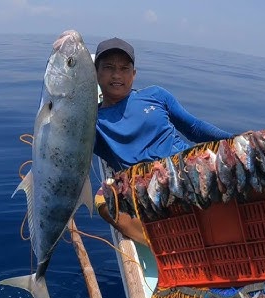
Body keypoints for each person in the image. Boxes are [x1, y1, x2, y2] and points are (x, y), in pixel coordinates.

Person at [92, 37, 233, 246]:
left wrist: (233, 139)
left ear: (134, 74)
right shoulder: (90, 121)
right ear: (95, 73)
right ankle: (162, 244)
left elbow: (193, 127)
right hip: (142, 183)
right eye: (109, 67)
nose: (117, 75)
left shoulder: (156, 95)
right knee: (102, 201)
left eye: (124, 68)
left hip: (187, 166)